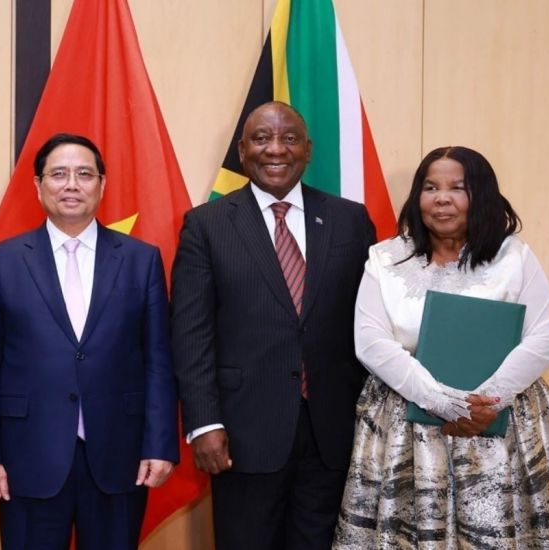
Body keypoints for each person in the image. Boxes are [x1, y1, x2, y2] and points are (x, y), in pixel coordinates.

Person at [333, 146, 549, 548]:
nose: (442, 197)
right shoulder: (385, 258)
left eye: (458, 187)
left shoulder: (513, 256)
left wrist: (485, 402)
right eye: (430, 187)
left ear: (480, 195)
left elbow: (545, 337)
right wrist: (437, 399)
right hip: (408, 422)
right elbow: (371, 341)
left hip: (499, 421)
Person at [171, 101, 375, 549]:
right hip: (243, 434)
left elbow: (372, 323)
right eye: (261, 139)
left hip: (333, 432)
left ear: (308, 149)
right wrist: (204, 424)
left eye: (288, 138)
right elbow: (191, 333)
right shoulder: (206, 225)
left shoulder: (349, 219)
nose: (275, 149)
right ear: (242, 151)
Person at [0, 133, 179, 550]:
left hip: (120, 453)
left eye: (84, 174)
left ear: (103, 184)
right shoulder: (1, 261)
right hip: (28, 455)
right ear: (38, 185)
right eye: (58, 174)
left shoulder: (141, 259)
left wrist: (160, 444)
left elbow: (157, 358)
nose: (71, 185)